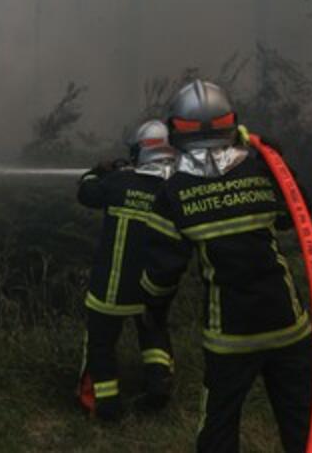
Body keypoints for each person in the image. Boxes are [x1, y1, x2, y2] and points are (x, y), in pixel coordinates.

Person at [141, 80, 312, 452]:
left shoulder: (173, 194)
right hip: (289, 324)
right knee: (304, 426)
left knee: (218, 430)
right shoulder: (261, 172)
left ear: (175, 131)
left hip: (231, 336)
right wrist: (280, 166)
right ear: (232, 123)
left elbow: (160, 274)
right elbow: (297, 218)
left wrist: (152, 311)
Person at [75, 119, 180, 421]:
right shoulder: (172, 191)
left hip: (110, 287)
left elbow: (85, 193)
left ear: (140, 152)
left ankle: (105, 405)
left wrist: (98, 171)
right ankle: (158, 385)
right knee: (154, 333)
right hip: (152, 288)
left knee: (101, 344)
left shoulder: (118, 182)